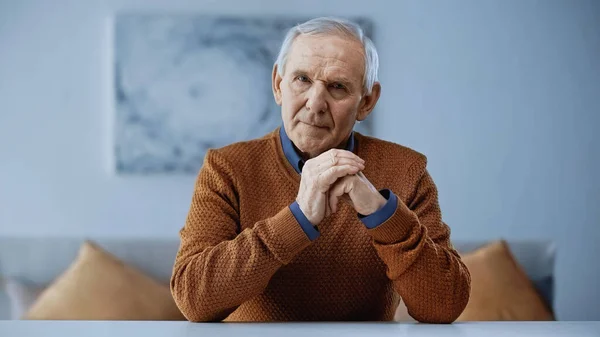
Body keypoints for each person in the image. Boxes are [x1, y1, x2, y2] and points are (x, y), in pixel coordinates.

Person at [170, 16, 470, 323]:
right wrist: (298, 220)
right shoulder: (226, 168)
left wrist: (382, 214)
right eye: (302, 79)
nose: (315, 104)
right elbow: (194, 300)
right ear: (278, 85)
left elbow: (443, 306)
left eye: (337, 87)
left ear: (366, 102)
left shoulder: (407, 170)